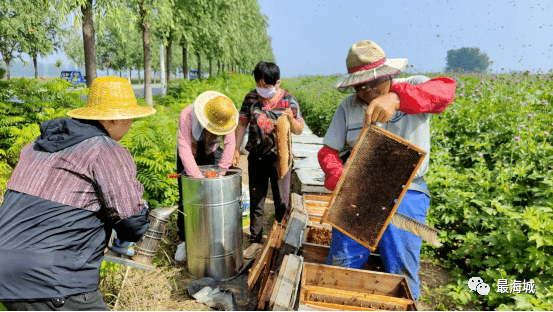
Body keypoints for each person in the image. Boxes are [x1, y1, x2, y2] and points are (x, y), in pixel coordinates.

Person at [0, 76, 156, 310]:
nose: (131, 122)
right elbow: (132, 224)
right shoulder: (105, 151)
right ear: (114, 118)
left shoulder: (35, 145)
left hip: (6, 273)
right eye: (130, 117)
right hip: (52, 280)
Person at [318, 40, 456, 300]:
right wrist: (339, 177)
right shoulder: (348, 107)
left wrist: (396, 97)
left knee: (401, 269)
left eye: (374, 82)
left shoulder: (414, 85)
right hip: (360, 190)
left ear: (388, 74)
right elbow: (328, 151)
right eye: (360, 85)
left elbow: (446, 91)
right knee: (342, 262)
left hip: (407, 189)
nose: (367, 90)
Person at [233, 61, 304, 260]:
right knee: (257, 199)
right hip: (256, 156)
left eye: (267, 86)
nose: (262, 90)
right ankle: (256, 240)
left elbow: (299, 130)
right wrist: (235, 149)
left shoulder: (289, 101)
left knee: (282, 200)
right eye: (259, 85)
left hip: (280, 158)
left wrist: (290, 119)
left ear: (278, 83)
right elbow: (241, 124)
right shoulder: (250, 98)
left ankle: (280, 238)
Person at [175, 91, 238, 261]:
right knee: (186, 196)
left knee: (216, 195)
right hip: (190, 151)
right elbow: (184, 148)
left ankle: (213, 237)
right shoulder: (187, 115)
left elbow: (230, 143)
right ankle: (185, 240)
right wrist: (197, 178)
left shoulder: (226, 115)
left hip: (212, 150)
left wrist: (221, 173)